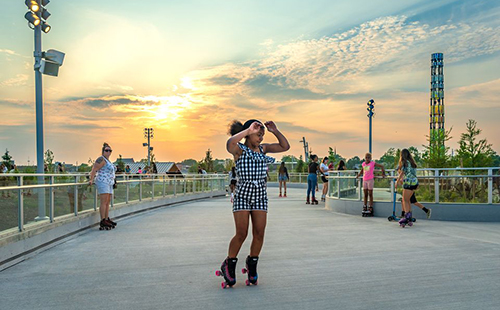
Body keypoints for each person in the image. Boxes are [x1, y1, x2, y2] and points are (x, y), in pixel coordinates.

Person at [218, 119, 289, 288]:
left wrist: (275, 131)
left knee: (259, 233)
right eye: (258, 135)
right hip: (243, 195)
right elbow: (230, 143)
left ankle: (252, 266)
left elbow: (284, 146)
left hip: (259, 196)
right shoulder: (239, 150)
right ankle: (229, 264)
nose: (261, 138)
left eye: (262, 135)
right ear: (249, 134)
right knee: (241, 233)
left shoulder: (263, 149)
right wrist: (248, 130)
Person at [396, 149, 431, 226]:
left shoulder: (404, 162)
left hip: (408, 182)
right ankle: (409, 217)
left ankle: (406, 217)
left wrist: (397, 182)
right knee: (408, 200)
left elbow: (402, 173)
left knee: (404, 200)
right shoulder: (412, 162)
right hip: (414, 182)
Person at [89, 142, 117, 230]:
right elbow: (94, 169)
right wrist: (91, 179)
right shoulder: (101, 159)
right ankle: (102, 220)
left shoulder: (108, 161)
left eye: (110, 150)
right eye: (106, 150)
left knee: (107, 202)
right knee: (103, 202)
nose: (108, 152)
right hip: (102, 182)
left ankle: (106, 218)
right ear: (103, 151)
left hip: (109, 183)